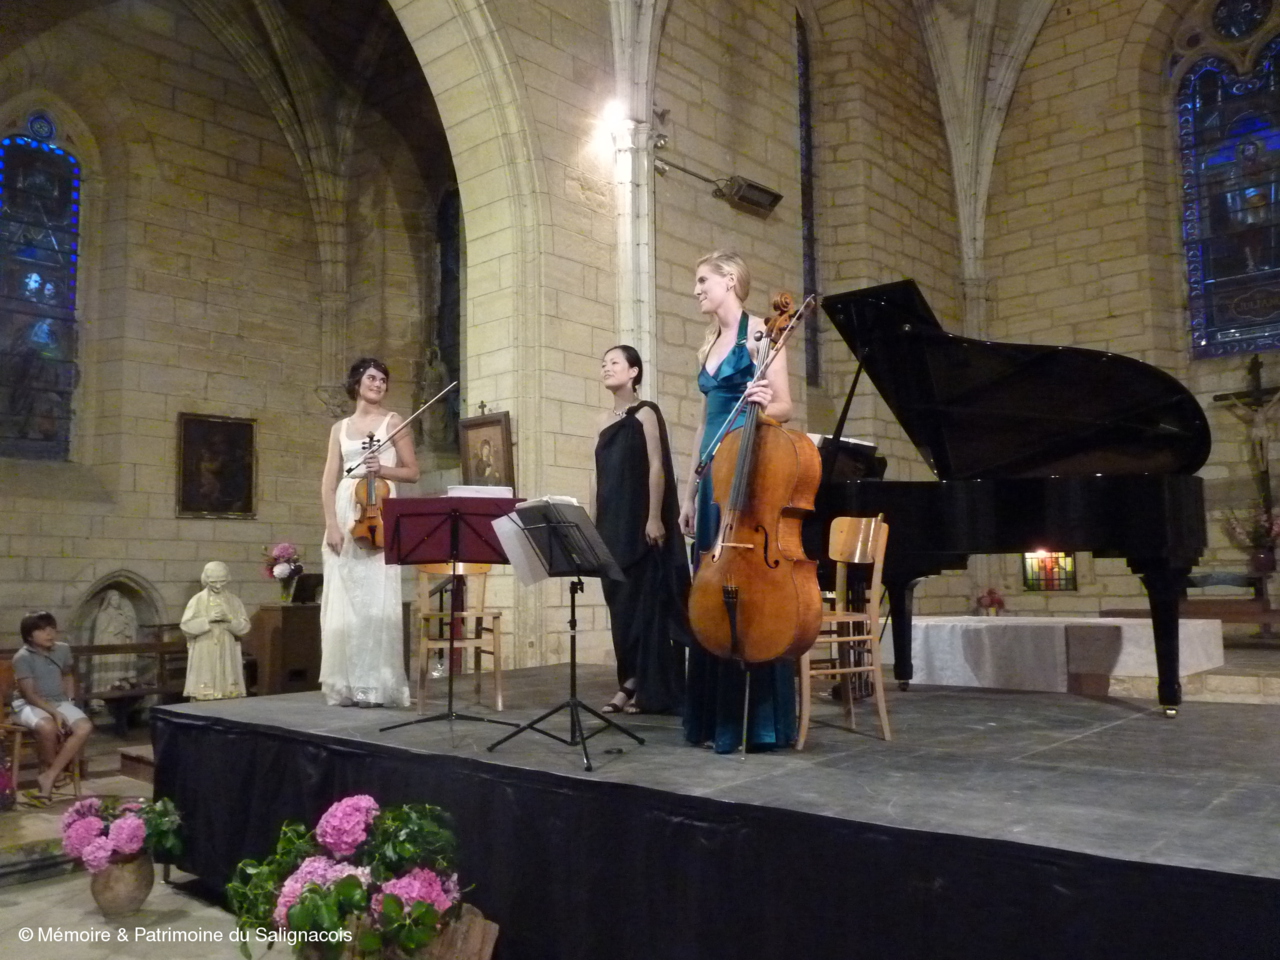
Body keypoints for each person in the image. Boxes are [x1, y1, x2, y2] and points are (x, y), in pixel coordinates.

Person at [678, 251, 797, 753]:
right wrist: (689, 491)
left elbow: (785, 405)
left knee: (747, 590)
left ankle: (756, 723)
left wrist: (764, 402)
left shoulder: (762, 334)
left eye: (702, 280)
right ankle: (712, 719)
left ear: (729, 280)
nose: (696, 290)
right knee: (710, 591)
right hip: (713, 476)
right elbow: (703, 424)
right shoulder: (708, 344)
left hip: (746, 472)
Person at [594, 345, 690, 714]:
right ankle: (629, 679)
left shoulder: (647, 412)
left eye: (614, 362)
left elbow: (656, 466)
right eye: (604, 364)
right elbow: (597, 477)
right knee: (619, 606)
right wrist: (591, 522)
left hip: (638, 520)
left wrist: (654, 517)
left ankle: (640, 687)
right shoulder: (602, 420)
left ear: (633, 372)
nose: (606, 368)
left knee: (644, 607)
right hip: (610, 522)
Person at [320, 357, 419, 707]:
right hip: (346, 511)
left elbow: (413, 472)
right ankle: (345, 685)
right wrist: (331, 524)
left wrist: (384, 469)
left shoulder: (394, 422)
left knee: (376, 599)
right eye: (372, 378)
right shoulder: (339, 428)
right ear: (357, 383)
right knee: (343, 600)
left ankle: (374, 686)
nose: (378, 384)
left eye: (383, 380)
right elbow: (328, 481)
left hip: (378, 513)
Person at [11, 611, 93, 803]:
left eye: (52, 629)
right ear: (29, 635)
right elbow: (29, 695)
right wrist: (55, 713)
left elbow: (67, 674)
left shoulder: (62, 649)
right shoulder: (22, 657)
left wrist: (69, 703)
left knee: (84, 727)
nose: (49, 633)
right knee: (48, 726)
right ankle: (55, 774)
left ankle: (49, 775)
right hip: (28, 704)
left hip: (60, 701)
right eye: (42, 630)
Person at [180, 561, 250, 700]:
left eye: (222, 581)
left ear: (228, 578)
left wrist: (229, 620)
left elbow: (245, 627)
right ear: (206, 579)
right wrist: (208, 619)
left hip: (227, 648)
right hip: (205, 648)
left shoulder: (234, 601)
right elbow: (186, 626)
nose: (218, 586)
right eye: (213, 582)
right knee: (205, 685)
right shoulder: (197, 600)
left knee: (228, 688)